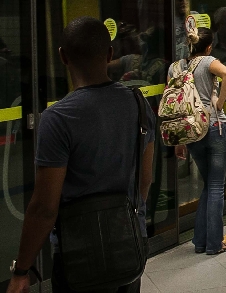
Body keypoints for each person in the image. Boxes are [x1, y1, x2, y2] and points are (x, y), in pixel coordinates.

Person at [7, 17, 155, 292]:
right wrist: (125, 218)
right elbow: (145, 179)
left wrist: (21, 270)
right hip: (129, 241)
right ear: (110, 54)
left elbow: (45, 207)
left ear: (63, 57)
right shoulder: (138, 103)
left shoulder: (58, 118)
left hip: (79, 253)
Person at [172, 27, 226, 254]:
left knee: (209, 185)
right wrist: (218, 104)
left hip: (190, 132)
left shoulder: (175, 68)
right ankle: (214, 244)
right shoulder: (208, 62)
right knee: (216, 186)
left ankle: (200, 241)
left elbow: (176, 105)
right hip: (215, 126)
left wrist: (179, 140)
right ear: (208, 46)